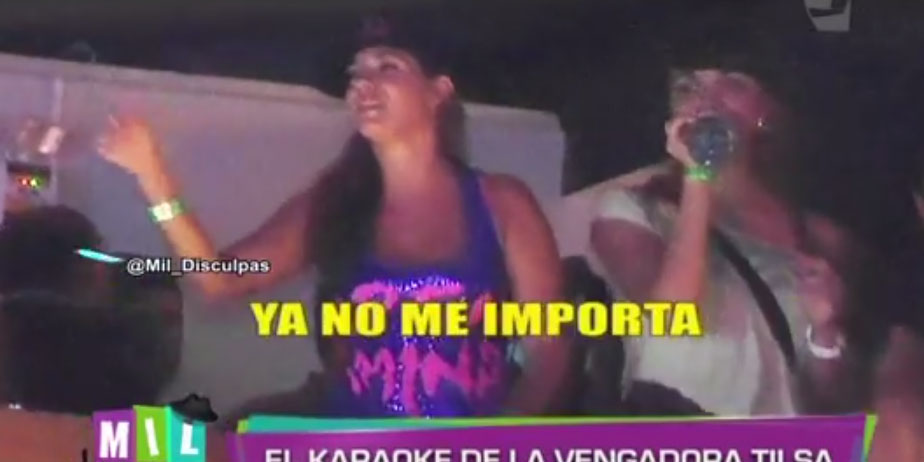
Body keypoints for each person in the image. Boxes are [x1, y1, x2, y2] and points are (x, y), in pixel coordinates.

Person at [96, 20, 569, 418]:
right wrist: (153, 175)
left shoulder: (502, 202)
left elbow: (548, 349)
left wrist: (496, 444)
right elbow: (220, 280)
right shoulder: (334, 202)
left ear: (438, 92)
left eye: (387, 67)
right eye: (355, 73)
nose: (362, 83)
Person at [586, 60, 876, 416]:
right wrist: (699, 175)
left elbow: (839, 405)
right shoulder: (632, 209)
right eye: (688, 87)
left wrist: (826, 332)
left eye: (733, 82)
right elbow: (672, 317)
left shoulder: (822, 237)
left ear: (768, 111)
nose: (707, 100)